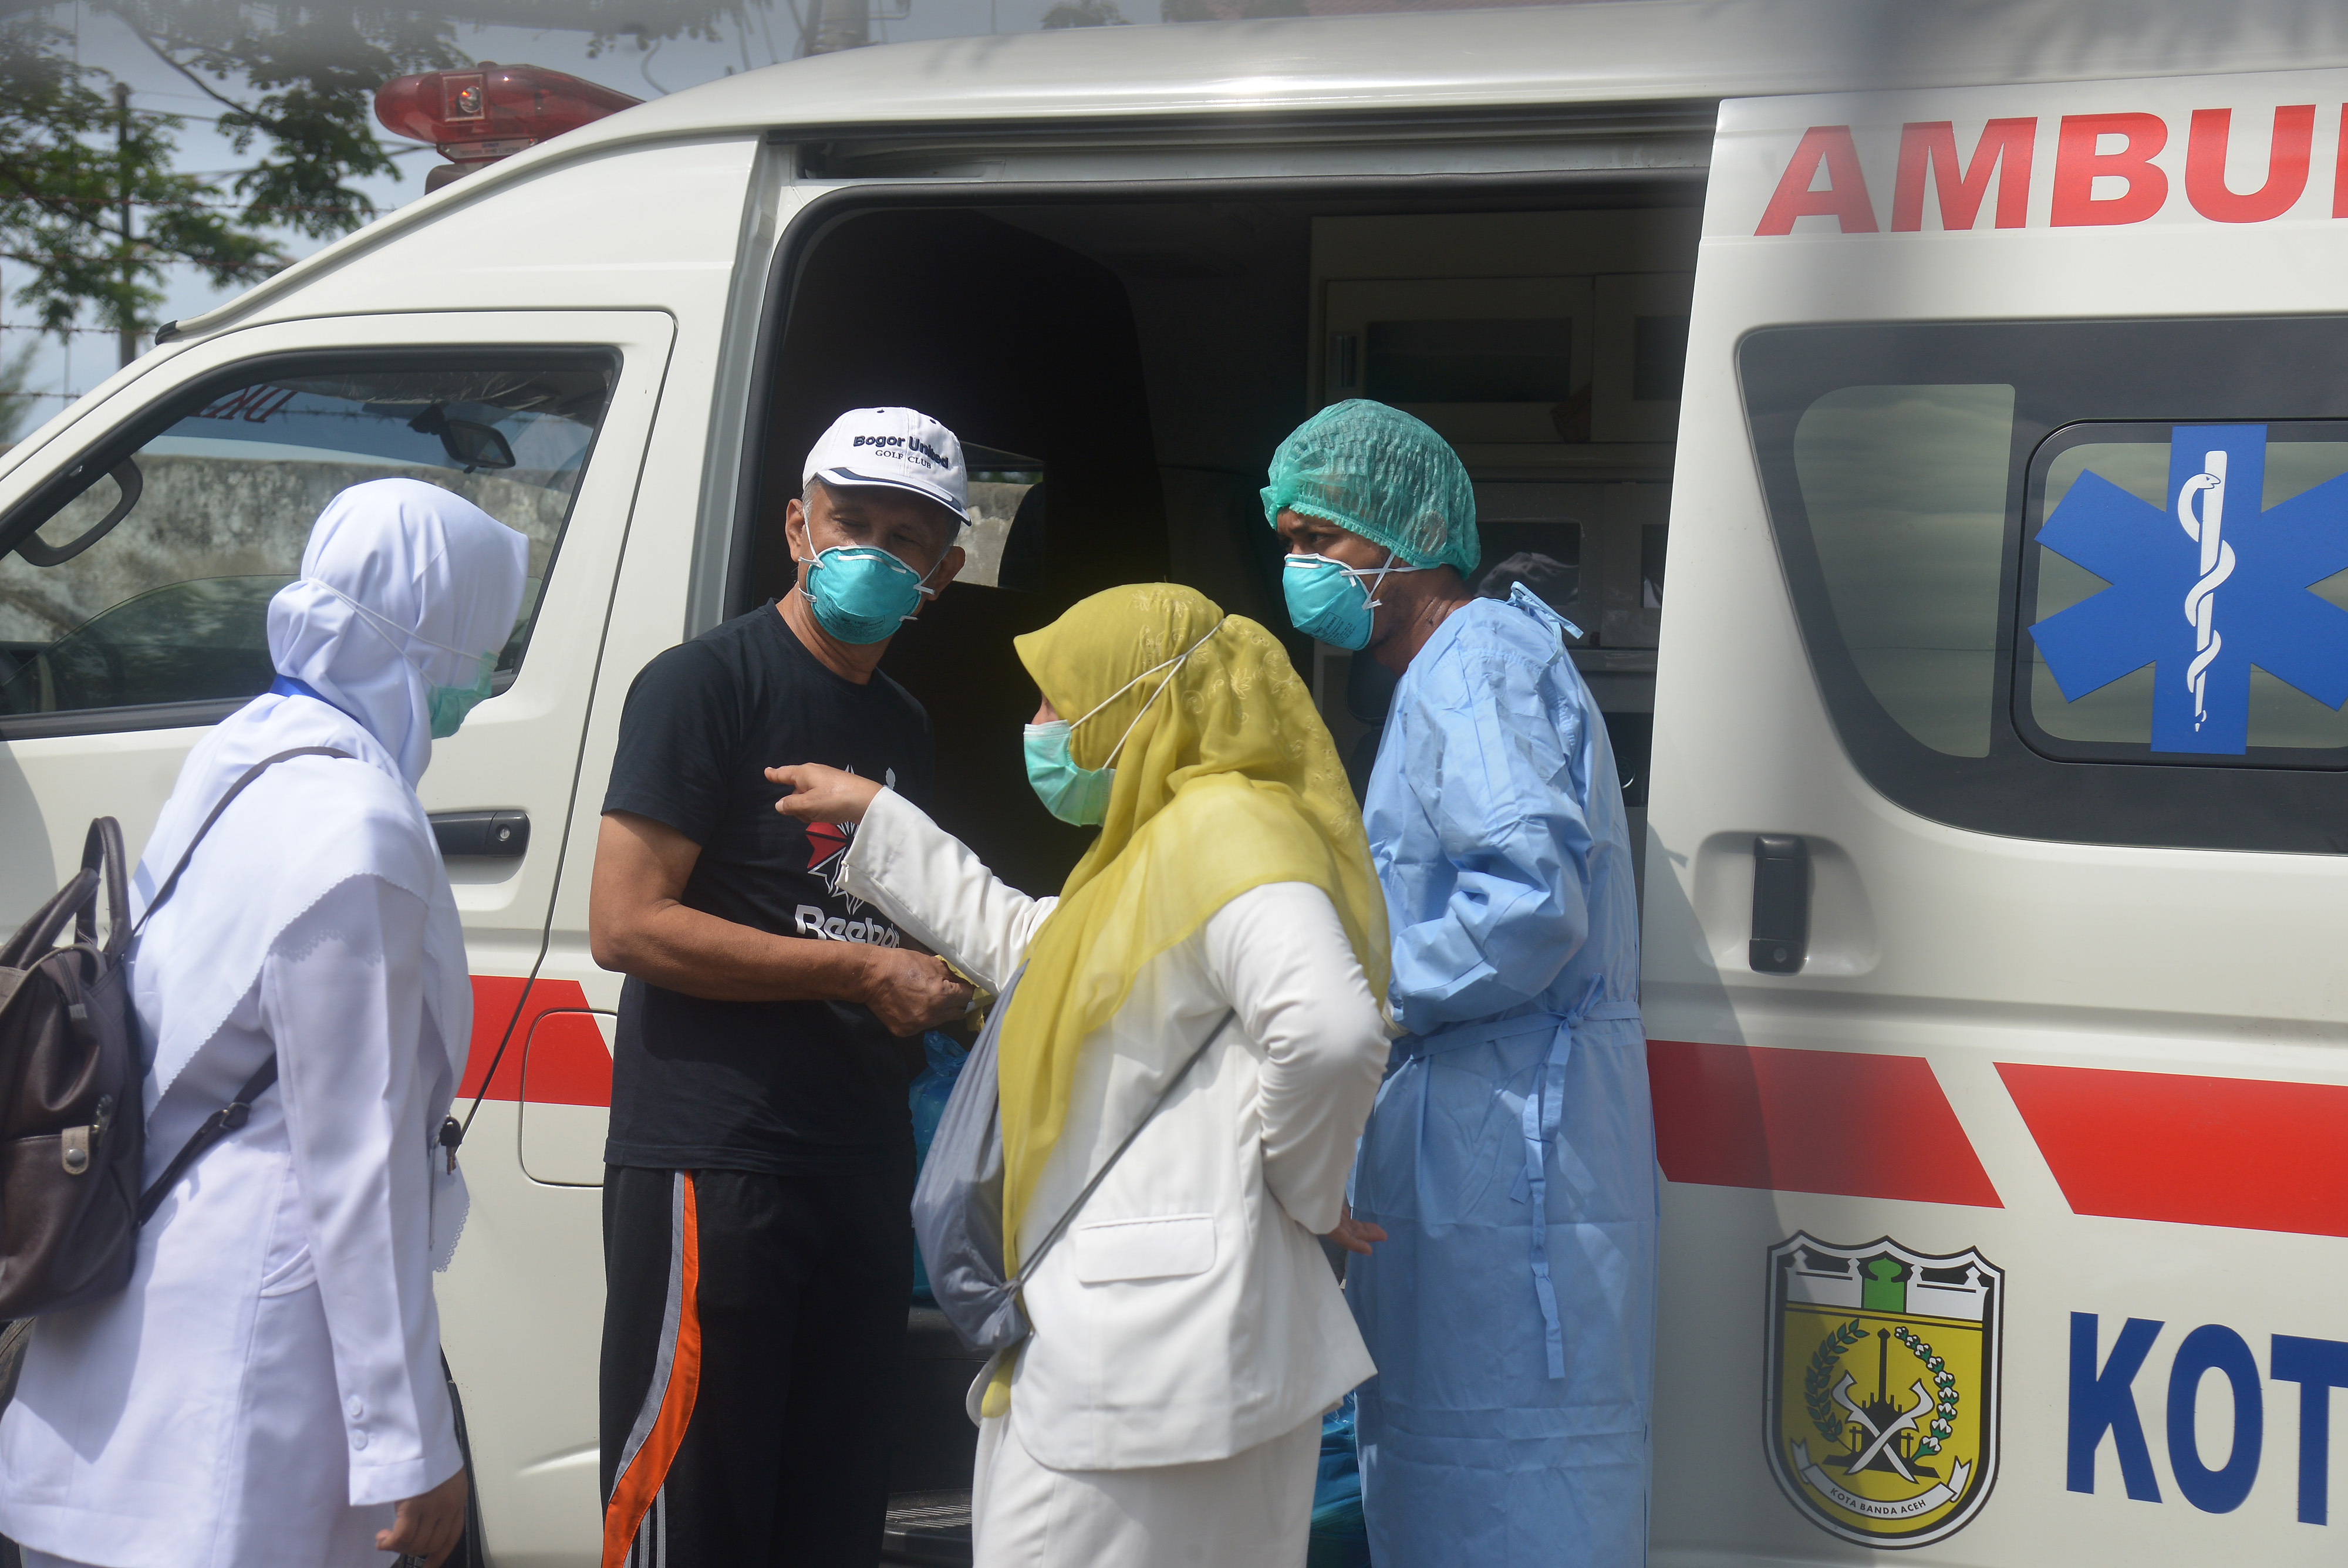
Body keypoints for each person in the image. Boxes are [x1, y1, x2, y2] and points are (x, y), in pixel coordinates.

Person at [767, 582, 1392, 1568]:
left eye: (1058, 700)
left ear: (1139, 701)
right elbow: (1040, 946)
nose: (1038, 727)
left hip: (1152, 1354)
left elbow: (1330, 1031)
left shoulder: (1227, 832)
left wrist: (1304, 1189)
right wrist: (882, 820)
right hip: (1188, 1355)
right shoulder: (1164, 848)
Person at [0, 478, 529, 1568]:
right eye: (487, 644)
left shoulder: (248, 753)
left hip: (125, 1342)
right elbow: (356, 1162)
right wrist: (409, 1446)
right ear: (439, 636)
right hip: (246, 1379)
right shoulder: (360, 832)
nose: (482, 678)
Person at [1267, 400, 1657, 1566]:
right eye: (1285, 542)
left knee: (1499, 1486)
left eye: (1321, 544)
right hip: (1489, 1133)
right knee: (1470, 1473)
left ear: (1409, 533)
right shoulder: (1462, 666)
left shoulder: (1474, 665)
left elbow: (1529, 906)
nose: (1301, 570)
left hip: (1508, 1152)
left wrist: (1358, 988)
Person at [587, 407, 978, 1564]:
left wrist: (941, 978)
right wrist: (862, 969)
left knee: (830, 1511)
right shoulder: (702, 684)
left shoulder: (901, 724)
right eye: (848, 520)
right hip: (720, 1158)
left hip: (856, 1163)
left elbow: (901, 923)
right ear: (795, 524)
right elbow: (627, 923)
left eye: (903, 539)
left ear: (941, 573)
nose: (868, 550)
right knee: (693, 1507)